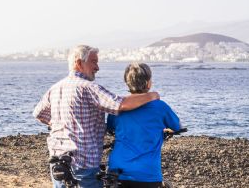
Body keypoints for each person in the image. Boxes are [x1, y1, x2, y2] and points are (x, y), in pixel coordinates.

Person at [33, 45, 160, 188]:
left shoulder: (55, 88)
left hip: (57, 161)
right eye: (94, 62)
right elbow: (121, 104)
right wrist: (151, 96)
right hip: (83, 162)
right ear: (79, 63)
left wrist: (63, 125)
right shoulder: (88, 88)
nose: (97, 67)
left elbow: (39, 114)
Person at [106, 63, 181, 188]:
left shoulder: (118, 106)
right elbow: (177, 126)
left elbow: (111, 127)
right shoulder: (160, 106)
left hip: (117, 170)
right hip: (147, 173)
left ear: (127, 83)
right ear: (148, 83)